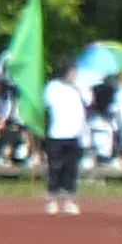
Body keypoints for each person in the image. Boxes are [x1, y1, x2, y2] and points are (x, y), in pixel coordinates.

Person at [41, 60, 89, 214]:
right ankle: (52, 199)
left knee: (71, 169)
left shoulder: (80, 87)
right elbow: (46, 104)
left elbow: (89, 100)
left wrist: (78, 87)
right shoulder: (53, 87)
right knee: (55, 168)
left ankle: (69, 200)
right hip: (57, 135)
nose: (74, 75)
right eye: (72, 72)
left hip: (74, 135)